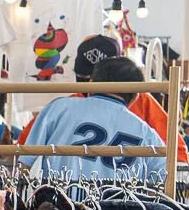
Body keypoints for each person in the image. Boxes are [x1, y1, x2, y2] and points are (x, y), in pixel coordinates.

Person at [20, 56, 165, 180]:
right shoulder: (147, 135)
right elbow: (161, 181)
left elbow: (24, 165)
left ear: (91, 83)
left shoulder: (59, 108)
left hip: (57, 207)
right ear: (135, 96)